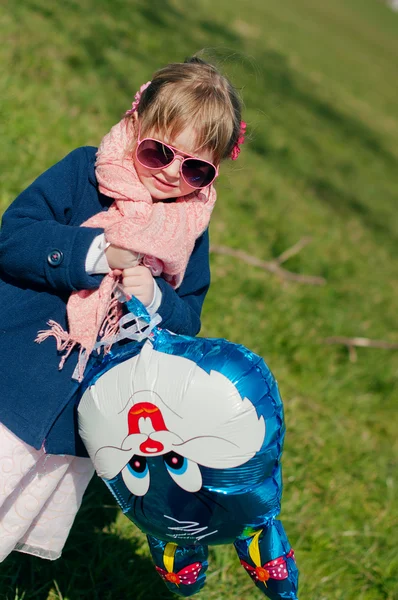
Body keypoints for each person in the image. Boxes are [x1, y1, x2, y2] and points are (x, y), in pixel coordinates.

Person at [0, 56, 245, 562]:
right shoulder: (82, 173)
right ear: (135, 125)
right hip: (12, 381)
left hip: (74, 418)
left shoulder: (187, 232)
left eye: (195, 168)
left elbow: (186, 323)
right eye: (159, 152)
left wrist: (156, 299)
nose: (173, 175)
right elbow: (14, 237)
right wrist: (92, 253)